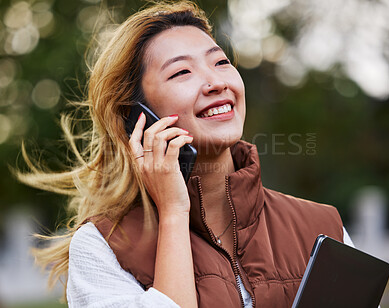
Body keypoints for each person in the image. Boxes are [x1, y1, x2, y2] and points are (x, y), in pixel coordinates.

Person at [16, 1, 354, 307]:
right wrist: (174, 212)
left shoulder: (323, 228)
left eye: (221, 62)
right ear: (138, 116)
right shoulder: (102, 247)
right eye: (181, 72)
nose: (215, 82)